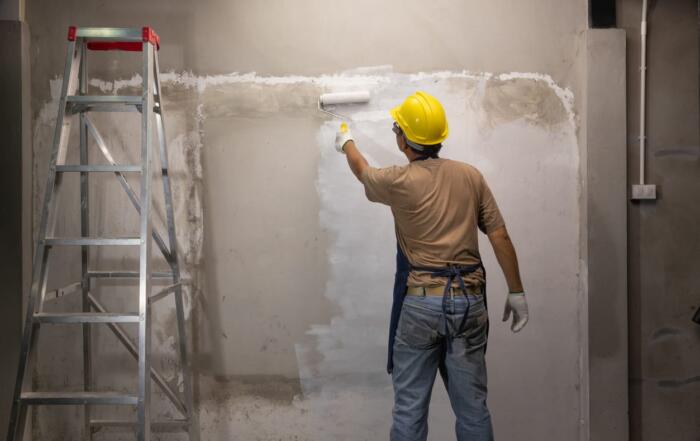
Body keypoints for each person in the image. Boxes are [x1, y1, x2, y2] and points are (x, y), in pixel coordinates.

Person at [333, 91, 529, 441]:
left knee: (410, 410)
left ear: (405, 139)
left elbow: (362, 171)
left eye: (397, 129)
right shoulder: (470, 176)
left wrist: (346, 140)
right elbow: (499, 235)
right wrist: (517, 291)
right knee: (473, 410)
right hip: (469, 303)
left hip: (422, 303)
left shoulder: (397, 180)